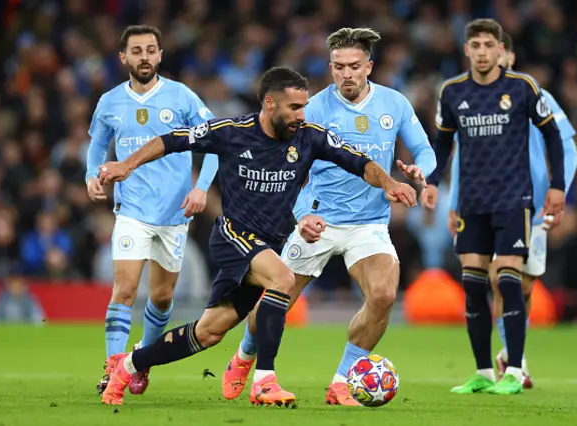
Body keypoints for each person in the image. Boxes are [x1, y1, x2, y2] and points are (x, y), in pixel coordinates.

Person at [97, 66, 420, 406]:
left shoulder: (310, 137)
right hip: (232, 237)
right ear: (269, 103)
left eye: (304, 106)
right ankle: (264, 381)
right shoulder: (231, 131)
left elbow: (359, 161)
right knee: (282, 277)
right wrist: (126, 165)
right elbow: (171, 140)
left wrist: (389, 183)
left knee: (209, 332)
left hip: (266, 246)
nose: (301, 114)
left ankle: (130, 365)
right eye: (294, 107)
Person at [221, 27, 436, 406]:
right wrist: (302, 215)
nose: (347, 74)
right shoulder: (314, 108)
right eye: (339, 67)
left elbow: (423, 149)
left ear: (369, 66)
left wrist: (422, 172)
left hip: (368, 223)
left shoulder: (394, 104)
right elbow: (290, 171)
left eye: (354, 66)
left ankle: (341, 382)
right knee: (274, 303)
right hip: (318, 219)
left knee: (384, 294)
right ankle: (245, 353)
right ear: (331, 67)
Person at [423, 19, 566, 395]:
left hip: (512, 200)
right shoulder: (452, 92)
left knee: (507, 278)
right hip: (472, 201)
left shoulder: (522, 88)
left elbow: (552, 134)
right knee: (472, 283)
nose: (483, 51)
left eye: (489, 44)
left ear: (501, 50)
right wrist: (432, 183)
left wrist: (557, 186)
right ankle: (484, 372)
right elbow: (442, 144)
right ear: (466, 49)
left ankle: (515, 371)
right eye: (476, 45)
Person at [85, 25, 219, 395]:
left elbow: (214, 144)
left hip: (175, 213)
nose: (144, 57)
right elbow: (97, 146)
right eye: (136, 50)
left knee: (162, 298)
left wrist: (201, 188)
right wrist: (89, 175)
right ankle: (114, 368)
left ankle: (140, 360)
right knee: (124, 290)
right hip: (131, 210)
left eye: (150, 50)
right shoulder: (110, 101)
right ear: (123, 57)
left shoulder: (181, 97)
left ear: (160, 55)